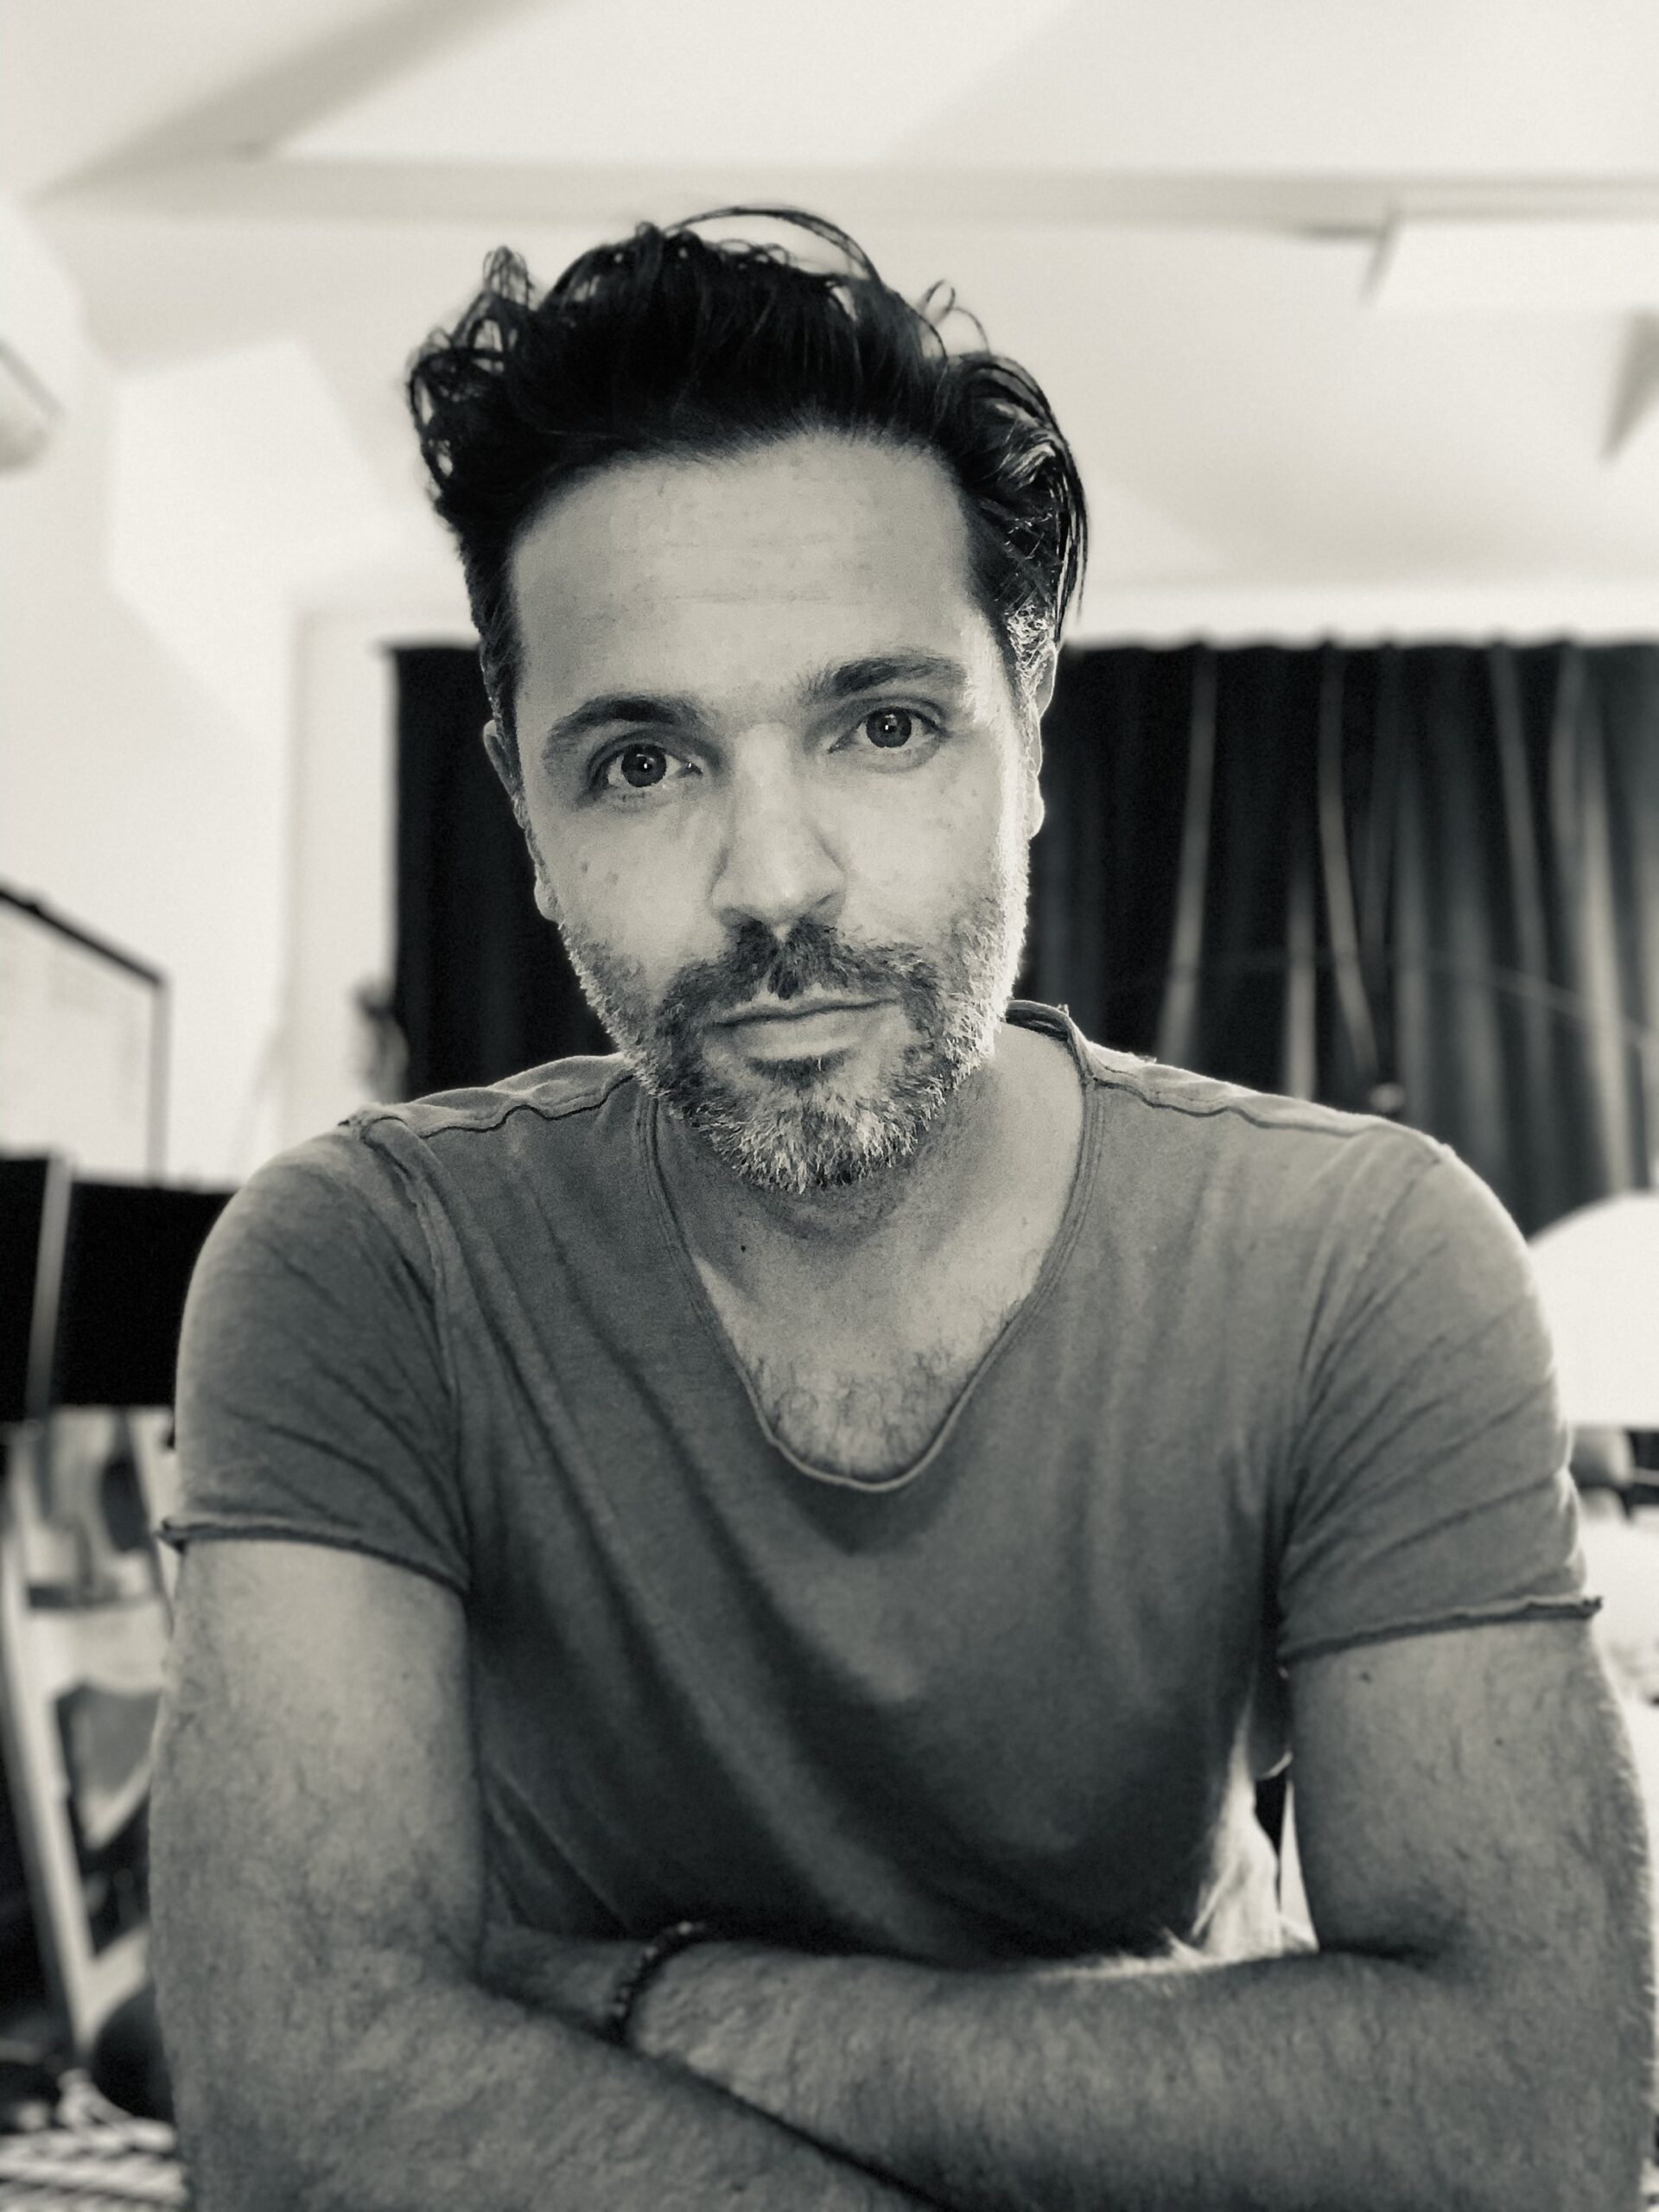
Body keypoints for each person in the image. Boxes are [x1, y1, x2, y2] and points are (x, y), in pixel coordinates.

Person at [149, 210, 1655, 2211]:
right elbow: (300, 2104)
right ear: (523, 809)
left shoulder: (1361, 1261)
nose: (774, 879)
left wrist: (674, 2002)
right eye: (642, 759)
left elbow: (1533, 2117)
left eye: (883, 723)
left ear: (1029, 735)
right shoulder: (365, 1271)